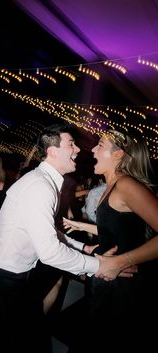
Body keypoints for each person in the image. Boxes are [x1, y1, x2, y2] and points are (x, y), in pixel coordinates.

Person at [0, 123, 131, 353]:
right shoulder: (40, 186)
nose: (78, 149)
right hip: (3, 275)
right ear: (52, 151)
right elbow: (49, 252)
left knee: (30, 335)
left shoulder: (45, 181)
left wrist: (83, 248)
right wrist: (98, 266)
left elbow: (47, 232)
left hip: (12, 272)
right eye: (71, 144)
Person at [63, 128, 158, 347]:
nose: (93, 149)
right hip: (106, 278)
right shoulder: (111, 186)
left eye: (100, 145)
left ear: (118, 154)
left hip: (123, 286)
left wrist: (120, 262)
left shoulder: (126, 185)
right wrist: (81, 224)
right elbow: (117, 230)